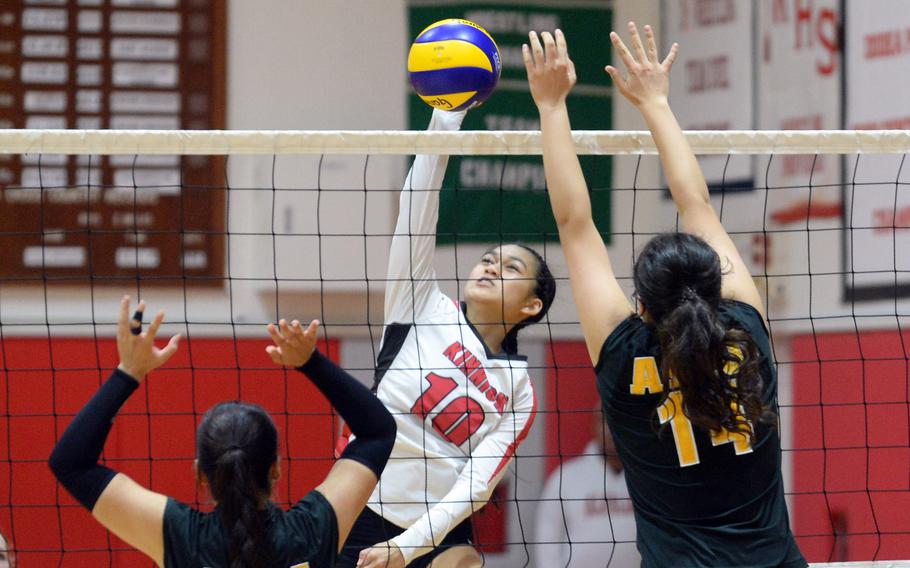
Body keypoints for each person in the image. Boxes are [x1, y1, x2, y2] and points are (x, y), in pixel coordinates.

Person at [524, 23, 806, 567]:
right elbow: (697, 203)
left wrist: (552, 106)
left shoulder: (625, 351)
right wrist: (655, 101)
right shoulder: (746, 332)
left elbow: (573, 223)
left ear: (642, 305)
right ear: (716, 288)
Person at [341, 109, 557, 568]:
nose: (491, 267)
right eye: (488, 259)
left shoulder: (519, 390)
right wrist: (444, 120)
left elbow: (477, 485)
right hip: (360, 503)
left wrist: (409, 545)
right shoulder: (421, 304)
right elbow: (416, 209)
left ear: (531, 307)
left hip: (434, 531)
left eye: (511, 268)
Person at [48, 296, 396, 567]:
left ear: (200, 473)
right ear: (275, 468)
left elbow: (70, 462)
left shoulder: (182, 536)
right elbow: (377, 432)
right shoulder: (311, 533)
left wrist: (128, 372)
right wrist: (311, 361)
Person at [534, 405, 638, 567]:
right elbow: (547, 541)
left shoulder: (649, 480)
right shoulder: (565, 478)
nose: (611, 429)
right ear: (593, 425)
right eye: (604, 420)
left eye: (619, 420)